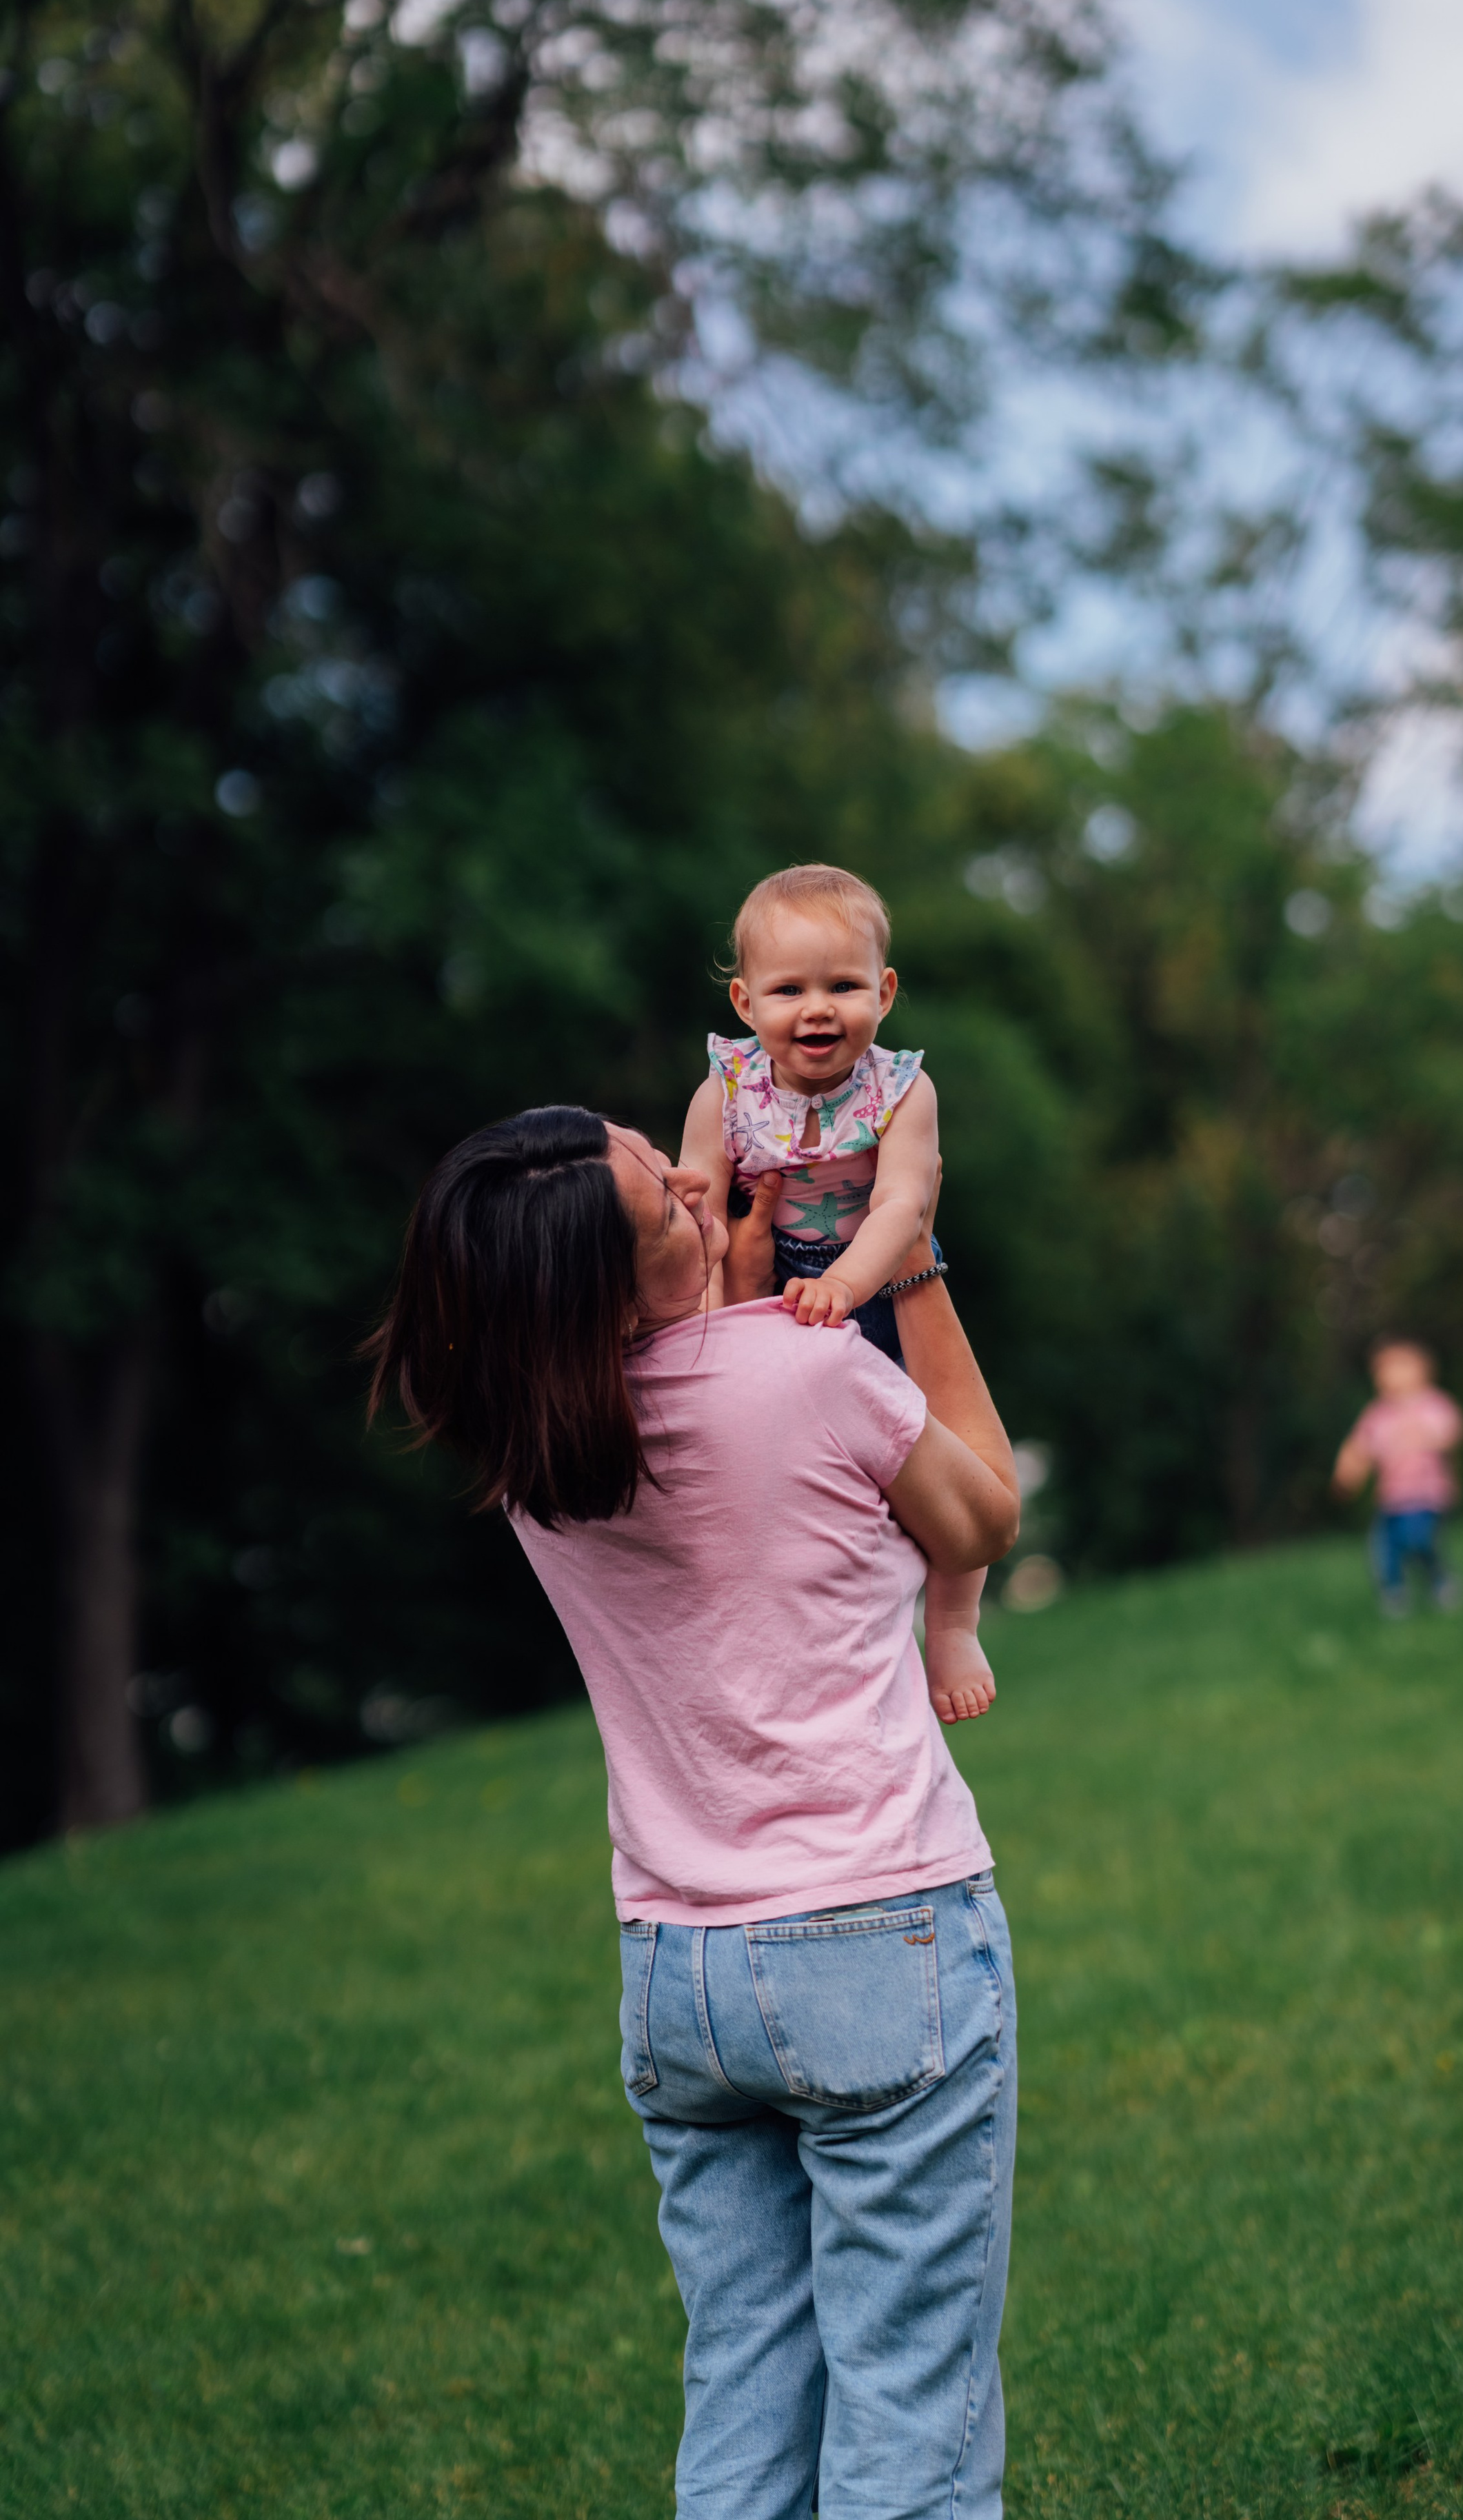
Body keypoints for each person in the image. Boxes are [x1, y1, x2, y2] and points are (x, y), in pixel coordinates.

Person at [367, 1104, 1022, 2520]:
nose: (690, 1178)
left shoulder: (533, 1451)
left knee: (744, 2386)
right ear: (606, 1284)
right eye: (665, 1198)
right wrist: (898, 1255)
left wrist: (701, 1252)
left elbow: (682, 1358)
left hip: (677, 1972)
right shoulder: (802, 1370)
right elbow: (979, 1520)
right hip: (873, 1933)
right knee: (908, 2402)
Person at [678, 862, 995, 1726]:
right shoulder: (726, 1090)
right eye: (789, 989)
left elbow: (903, 1202)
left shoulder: (901, 1091)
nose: (817, 1008)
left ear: (884, 992)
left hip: (885, 1283)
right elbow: (699, 1206)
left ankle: (955, 1620)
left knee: (951, 1452)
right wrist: (704, 1316)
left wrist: (850, 1282)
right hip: (772, 1286)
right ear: (746, 1004)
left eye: (843, 985)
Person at [1332, 1336, 1463, 1615]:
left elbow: (1452, 1431)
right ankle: (1394, 1594)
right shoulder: (1377, 1415)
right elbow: (1359, 1447)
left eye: (1395, 1366)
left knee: (1418, 1541)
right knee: (1384, 1550)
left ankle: (1440, 1580)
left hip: (1427, 1494)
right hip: (1391, 1498)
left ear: (1421, 1369)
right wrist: (1347, 1473)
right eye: (1380, 1368)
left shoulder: (1433, 1405)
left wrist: (1423, 1436)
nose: (1385, 1373)